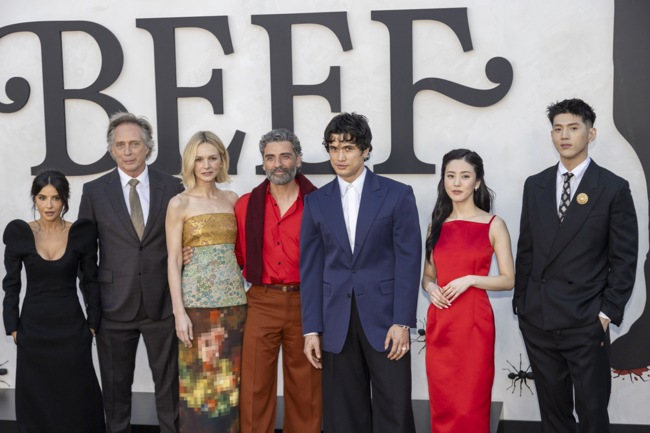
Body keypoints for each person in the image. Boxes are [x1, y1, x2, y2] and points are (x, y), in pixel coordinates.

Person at [514, 98, 638, 433]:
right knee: (553, 414)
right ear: (551, 135)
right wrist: (522, 303)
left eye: (573, 127)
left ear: (590, 133)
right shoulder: (535, 185)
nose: (564, 135)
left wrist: (606, 313)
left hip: (585, 320)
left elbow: (624, 259)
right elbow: (527, 250)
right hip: (538, 318)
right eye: (558, 129)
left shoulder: (612, 187)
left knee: (592, 411)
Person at [300, 112, 421, 433]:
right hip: (335, 321)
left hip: (386, 320)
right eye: (333, 148)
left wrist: (402, 321)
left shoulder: (397, 194)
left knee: (394, 411)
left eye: (348, 148)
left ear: (366, 150)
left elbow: (408, 261)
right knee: (342, 416)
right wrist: (310, 329)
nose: (340, 156)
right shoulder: (315, 202)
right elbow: (310, 269)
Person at [79, 112, 184, 433]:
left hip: (162, 305)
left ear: (148, 147)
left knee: (170, 390)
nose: (127, 151)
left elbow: (183, 240)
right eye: (120, 145)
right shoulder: (94, 191)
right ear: (112, 150)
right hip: (113, 308)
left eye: (134, 144)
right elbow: (86, 256)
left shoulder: (173, 187)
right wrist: (94, 308)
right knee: (115, 394)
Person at [2, 170, 105, 432]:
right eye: (42, 197)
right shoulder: (20, 232)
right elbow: (11, 285)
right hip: (32, 330)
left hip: (72, 330)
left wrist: (93, 324)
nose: (49, 205)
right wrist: (12, 327)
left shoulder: (80, 232)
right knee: (37, 400)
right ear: (34, 199)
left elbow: (90, 281)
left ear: (65, 200)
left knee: (78, 399)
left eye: (56, 198)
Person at [235, 129, 322, 433]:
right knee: (254, 388)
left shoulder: (319, 203)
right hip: (261, 301)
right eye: (270, 158)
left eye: (285, 156)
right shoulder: (246, 205)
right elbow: (236, 254)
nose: (278, 164)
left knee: (306, 388)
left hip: (306, 303)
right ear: (263, 163)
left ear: (298, 159)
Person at [421, 149, 514, 433]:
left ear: (477, 182)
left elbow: (508, 280)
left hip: (474, 323)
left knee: (470, 403)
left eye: (464, 176)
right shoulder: (435, 226)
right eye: (450, 176)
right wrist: (430, 286)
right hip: (441, 322)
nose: (456, 183)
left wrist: (471, 279)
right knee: (443, 402)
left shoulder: (494, 224)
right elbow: (427, 275)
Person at [166, 131, 247, 432]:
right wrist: (179, 313)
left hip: (235, 307)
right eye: (199, 159)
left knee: (229, 386)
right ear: (190, 163)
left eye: (213, 158)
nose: (206, 165)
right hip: (197, 310)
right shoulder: (179, 203)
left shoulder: (232, 199)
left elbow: (242, 250)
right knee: (198, 390)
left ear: (222, 161)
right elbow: (174, 260)